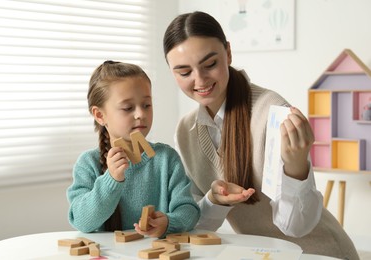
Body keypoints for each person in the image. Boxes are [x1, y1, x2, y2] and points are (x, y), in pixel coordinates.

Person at [163, 11, 359, 259]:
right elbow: (196, 224)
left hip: (320, 254)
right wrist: (214, 200)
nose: (199, 80)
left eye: (210, 64)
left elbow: (296, 226)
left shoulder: (272, 113)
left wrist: (296, 168)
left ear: (229, 53)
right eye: (184, 72)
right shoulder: (185, 132)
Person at [67, 60, 200, 238]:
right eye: (128, 108)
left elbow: (189, 210)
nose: (141, 114)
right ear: (100, 115)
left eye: (147, 105)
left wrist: (169, 222)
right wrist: (111, 179)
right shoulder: (88, 163)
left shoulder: (166, 158)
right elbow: (82, 221)